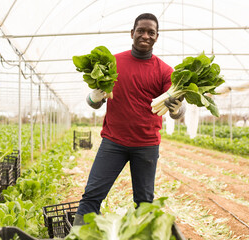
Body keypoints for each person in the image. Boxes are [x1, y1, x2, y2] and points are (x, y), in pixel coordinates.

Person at [73, 13, 185, 225]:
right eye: (141, 31)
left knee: (144, 202)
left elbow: (177, 113)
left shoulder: (164, 71)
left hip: (146, 145)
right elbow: (95, 103)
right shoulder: (113, 63)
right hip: (113, 142)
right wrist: (93, 97)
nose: (145, 36)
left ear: (157, 37)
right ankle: (79, 236)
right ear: (132, 33)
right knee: (91, 196)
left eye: (151, 32)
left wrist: (177, 109)